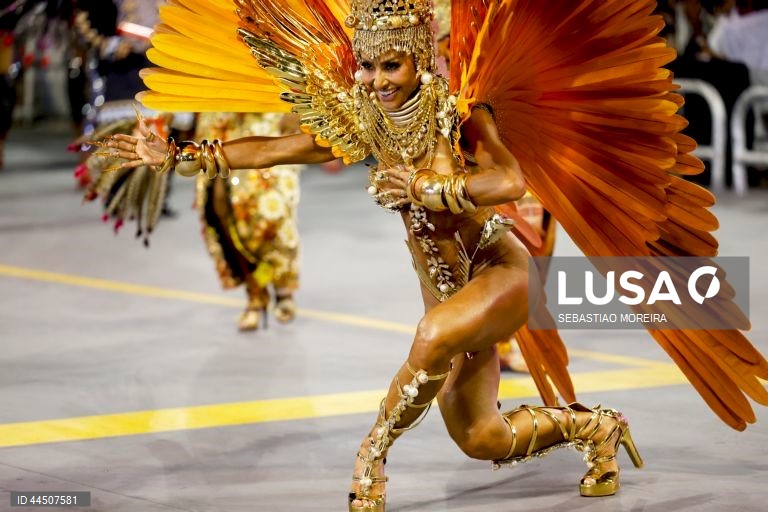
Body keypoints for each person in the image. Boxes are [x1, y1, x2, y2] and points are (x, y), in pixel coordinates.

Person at [97, 0, 768, 510]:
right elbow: (274, 149)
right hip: (447, 293)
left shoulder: (461, 114)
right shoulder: (364, 116)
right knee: (481, 438)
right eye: (367, 64)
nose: (377, 78)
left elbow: (509, 182)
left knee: (431, 334)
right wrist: (183, 156)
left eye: (390, 64)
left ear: (418, 56)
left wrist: (428, 185)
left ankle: (372, 455)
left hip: (500, 270)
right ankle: (597, 427)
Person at [195, 112, 303, 331]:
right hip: (218, 117)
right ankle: (255, 294)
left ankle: (283, 285)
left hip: (265, 116)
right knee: (221, 212)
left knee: (270, 210)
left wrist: (297, 107)